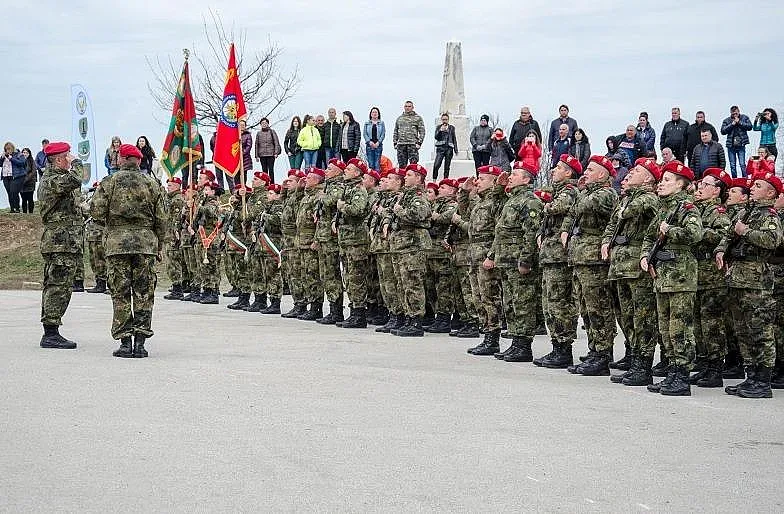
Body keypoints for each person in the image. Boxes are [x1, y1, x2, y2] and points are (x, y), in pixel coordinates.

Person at [90, 144, 166, 358]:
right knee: (144, 292)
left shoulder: (109, 182)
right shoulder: (153, 184)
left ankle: (125, 343)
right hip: (145, 245)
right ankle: (140, 343)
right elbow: (162, 219)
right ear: (139, 161)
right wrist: (159, 244)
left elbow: (96, 212)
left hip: (117, 244)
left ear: (121, 159)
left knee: (120, 292)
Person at [716, 171, 783, 398]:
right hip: (737, 278)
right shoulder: (746, 212)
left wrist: (746, 232)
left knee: (760, 331)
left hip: (757, 281)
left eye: (759, 185)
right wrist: (721, 250)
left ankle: (763, 381)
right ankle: (751, 376)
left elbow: (772, 240)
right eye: (753, 184)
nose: (752, 187)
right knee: (743, 331)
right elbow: (727, 235)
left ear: (771, 192)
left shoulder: (769, 215)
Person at [641, 161, 703, 396]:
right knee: (666, 329)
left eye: (668, 180)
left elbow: (695, 234)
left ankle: (682, 377)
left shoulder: (687, 208)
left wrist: (671, 230)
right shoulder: (663, 209)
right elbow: (649, 237)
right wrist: (645, 256)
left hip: (681, 277)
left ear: (681, 184)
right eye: (662, 179)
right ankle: (672, 372)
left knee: (680, 329)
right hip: (662, 277)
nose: (662, 184)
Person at [602, 158, 661, 386]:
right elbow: (612, 225)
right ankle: (635, 359)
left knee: (643, 317)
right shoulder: (627, 199)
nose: (629, 174)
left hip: (637, 267)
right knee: (627, 317)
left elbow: (629, 212)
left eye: (636, 171)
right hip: (621, 266)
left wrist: (626, 202)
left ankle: (643, 365)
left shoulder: (647, 199)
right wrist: (606, 241)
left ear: (647, 178)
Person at [562, 155, 619, 376]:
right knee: (586, 308)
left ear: (603, 175)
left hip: (595, 259)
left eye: (591, 170)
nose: (585, 173)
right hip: (582, 257)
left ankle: (603, 354)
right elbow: (574, 211)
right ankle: (595, 349)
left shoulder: (605, 193)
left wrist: (580, 189)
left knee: (599, 309)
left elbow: (580, 206)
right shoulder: (588, 192)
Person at [488, 161, 543, 362]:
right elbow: (500, 229)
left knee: (523, 303)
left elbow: (531, 233)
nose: (510, 176)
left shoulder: (530, 201)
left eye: (515, 174)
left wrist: (526, 260)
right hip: (506, 260)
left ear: (526, 179)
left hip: (518, 260)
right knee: (510, 303)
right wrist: (500, 186)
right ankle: (515, 341)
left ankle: (524, 345)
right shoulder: (511, 199)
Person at [534, 155, 581, 368]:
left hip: (560, 257)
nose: (553, 170)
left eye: (559, 168)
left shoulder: (569, 192)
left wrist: (544, 199)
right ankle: (556, 347)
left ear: (569, 173)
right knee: (550, 303)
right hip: (550, 255)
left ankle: (563, 349)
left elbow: (556, 208)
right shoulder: (558, 192)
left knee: (560, 303)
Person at [37, 142, 83, 349]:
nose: (70, 158)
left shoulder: (59, 179)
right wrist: (78, 163)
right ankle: (50, 333)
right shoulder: (53, 179)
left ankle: (52, 330)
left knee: (61, 286)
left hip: (65, 241)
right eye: (67, 156)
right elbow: (76, 178)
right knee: (58, 286)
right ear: (58, 159)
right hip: (59, 242)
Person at [689, 167, 732, 388]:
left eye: (706, 185)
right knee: (698, 322)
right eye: (701, 184)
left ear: (716, 191)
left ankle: (716, 368)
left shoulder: (718, 212)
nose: (700, 187)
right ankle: (704, 363)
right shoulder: (695, 209)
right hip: (695, 272)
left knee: (712, 324)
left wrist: (700, 232)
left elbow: (725, 236)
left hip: (712, 274)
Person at [460, 165, 508, 355]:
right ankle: (487, 334)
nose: (477, 182)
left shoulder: (497, 201)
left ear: (493, 182)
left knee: (490, 297)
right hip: (474, 254)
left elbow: (500, 231)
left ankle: (493, 338)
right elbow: (463, 211)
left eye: (482, 178)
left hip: (486, 253)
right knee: (478, 297)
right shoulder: (479, 202)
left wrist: (492, 255)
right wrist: (464, 192)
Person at [385, 163, 432, 336]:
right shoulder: (406, 195)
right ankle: (408, 318)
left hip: (414, 245)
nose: (406, 177)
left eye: (410, 175)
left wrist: (398, 210)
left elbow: (418, 214)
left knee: (413, 283)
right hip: (402, 245)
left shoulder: (418, 196)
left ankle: (416, 321)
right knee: (402, 283)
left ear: (419, 178)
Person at [335, 158, 371, 328]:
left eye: (349, 169)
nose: (345, 171)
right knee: (349, 278)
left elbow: (357, 210)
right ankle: (354, 311)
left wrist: (342, 206)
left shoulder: (358, 190)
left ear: (357, 173)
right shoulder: (347, 188)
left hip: (356, 241)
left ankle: (359, 314)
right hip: (347, 241)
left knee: (356, 278)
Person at [313, 159, 346, 324]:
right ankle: (333, 308)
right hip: (324, 237)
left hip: (332, 238)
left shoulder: (338, 187)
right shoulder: (328, 187)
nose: (326, 171)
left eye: (330, 168)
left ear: (339, 171)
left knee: (332, 274)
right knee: (326, 274)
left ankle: (337, 310)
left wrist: (322, 196)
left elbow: (331, 201)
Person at [721, 106, 753, 178]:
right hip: (731, 145)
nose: (735, 115)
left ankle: (745, 179)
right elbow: (723, 131)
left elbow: (750, 127)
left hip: (741, 145)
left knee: (742, 164)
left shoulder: (744, 118)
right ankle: (734, 180)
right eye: (733, 113)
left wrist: (739, 122)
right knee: (732, 165)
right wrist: (732, 124)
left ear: (739, 111)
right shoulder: (727, 120)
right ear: (731, 113)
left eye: (736, 113)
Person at [393, 100, 425, 167]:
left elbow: (422, 131)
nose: (407, 108)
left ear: (412, 107)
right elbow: (395, 131)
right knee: (402, 166)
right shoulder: (399, 118)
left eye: (409, 106)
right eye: (406, 106)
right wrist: (395, 143)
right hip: (401, 145)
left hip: (412, 144)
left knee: (413, 166)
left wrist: (419, 143)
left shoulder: (418, 118)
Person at [1, 142, 26, 213]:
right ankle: (12, 209)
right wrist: (2, 158)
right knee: (9, 193)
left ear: (12, 148)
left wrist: (11, 158)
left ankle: (17, 208)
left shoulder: (19, 154)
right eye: (6, 149)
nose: (7, 151)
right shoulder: (4, 155)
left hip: (16, 176)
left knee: (13, 192)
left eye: (9, 149)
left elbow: (22, 163)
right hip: (5, 176)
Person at [254, 117, 282, 182]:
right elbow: (256, 144)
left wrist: (276, 153)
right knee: (264, 170)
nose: (264, 124)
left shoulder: (272, 132)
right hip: (262, 155)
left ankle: (272, 184)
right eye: (262, 123)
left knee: (271, 170)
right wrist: (256, 156)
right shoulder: (258, 133)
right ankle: (266, 184)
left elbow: (276, 142)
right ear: (260, 124)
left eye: (265, 123)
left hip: (271, 154)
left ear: (268, 124)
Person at [433, 113, 458, 180]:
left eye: (446, 119)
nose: (445, 121)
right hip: (440, 148)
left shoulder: (452, 127)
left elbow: (454, 138)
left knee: (447, 166)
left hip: (449, 148)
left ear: (448, 120)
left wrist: (456, 149)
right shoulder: (438, 127)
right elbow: (436, 137)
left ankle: (445, 180)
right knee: (436, 165)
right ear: (441, 120)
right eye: (443, 119)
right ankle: (434, 179)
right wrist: (440, 131)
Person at [363, 107, 385, 172]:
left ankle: (377, 180)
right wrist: (369, 142)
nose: (374, 113)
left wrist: (378, 142)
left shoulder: (381, 123)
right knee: (371, 164)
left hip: (378, 146)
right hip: (369, 146)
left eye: (376, 112)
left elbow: (383, 134)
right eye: (373, 112)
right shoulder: (367, 123)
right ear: (370, 114)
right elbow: (365, 134)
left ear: (378, 114)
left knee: (377, 164)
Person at [20, 147, 37, 213]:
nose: (25, 154)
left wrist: (26, 179)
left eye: (26, 153)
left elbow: (33, 172)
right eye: (24, 152)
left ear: (29, 154)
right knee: (23, 199)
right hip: (21, 184)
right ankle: (24, 213)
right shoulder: (20, 161)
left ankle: (31, 213)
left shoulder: (32, 161)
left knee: (30, 199)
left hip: (30, 183)